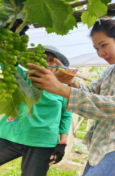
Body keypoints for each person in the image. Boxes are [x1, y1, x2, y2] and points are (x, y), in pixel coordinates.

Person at [25, 17, 115, 176]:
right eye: (96, 48)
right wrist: (71, 82)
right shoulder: (111, 71)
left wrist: (61, 89)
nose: (100, 53)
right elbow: (91, 92)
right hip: (102, 143)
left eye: (104, 45)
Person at [0, 46, 73, 176]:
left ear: (58, 65)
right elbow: (6, 60)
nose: (46, 63)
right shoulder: (23, 76)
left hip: (42, 142)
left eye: (51, 60)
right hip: (9, 135)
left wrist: (62, 142)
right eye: (43, 59)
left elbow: (66, 116)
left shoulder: (63, 88)